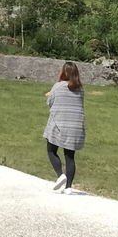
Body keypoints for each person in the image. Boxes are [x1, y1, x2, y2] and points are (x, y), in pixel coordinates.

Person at [43, 61, 85, 194]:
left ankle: (60, 175)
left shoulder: (58, 86)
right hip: (75, 126)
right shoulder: (80, 89)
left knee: (51, 150)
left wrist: (49, 95)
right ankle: (68, 187)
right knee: (70, 156)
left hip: (59, 125)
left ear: (63, 72)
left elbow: (51, 103)